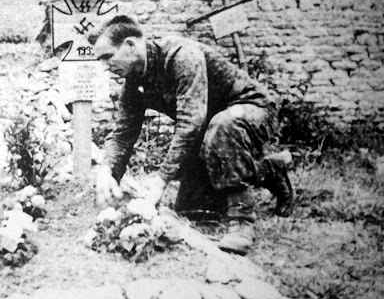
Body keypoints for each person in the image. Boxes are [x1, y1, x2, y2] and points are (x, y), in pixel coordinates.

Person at [89, 15, 293, 255]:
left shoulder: (180, 55)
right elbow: (123, 132)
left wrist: (161, 178)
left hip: (252, 110)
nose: (105, 65)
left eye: (107, 56)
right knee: (191, 212)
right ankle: (270, 170)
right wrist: (107, 171)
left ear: (131, 45)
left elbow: (191, 123)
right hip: (211, 130)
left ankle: (241, 220)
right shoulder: (134, 82)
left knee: (222, 126)